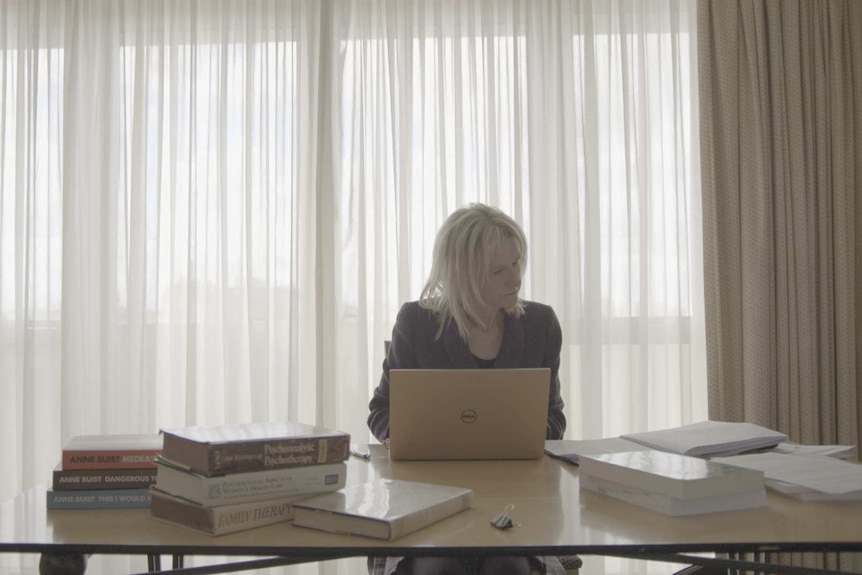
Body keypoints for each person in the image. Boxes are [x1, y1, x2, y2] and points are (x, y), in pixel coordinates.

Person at [367, 203, 566, 575]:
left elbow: (554, 419)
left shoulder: (541, 324)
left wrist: (520, 437)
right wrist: (405, 437)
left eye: (517, 263)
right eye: (499, 270)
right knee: (440, 569)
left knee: (509, 568)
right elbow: (380, 411)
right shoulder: (417, 322)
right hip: (429, 498)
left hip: (515, 497)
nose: (515, 278)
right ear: (464, 274)